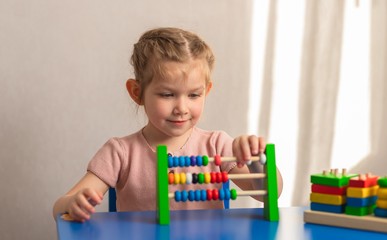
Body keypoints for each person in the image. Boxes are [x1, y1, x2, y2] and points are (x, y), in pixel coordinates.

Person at [53, 27, 283, 222]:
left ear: (207, 92)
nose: (181, 107)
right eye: (166, 94)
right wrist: (73, 203)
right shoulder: (120, 153)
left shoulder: (218, 146)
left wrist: (254, 162)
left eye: (194, 95)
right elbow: (58, 209)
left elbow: (271, 194)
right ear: (137, 92)